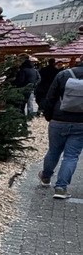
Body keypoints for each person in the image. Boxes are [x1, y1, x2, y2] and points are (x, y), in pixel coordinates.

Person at [38, 57, 83, 199]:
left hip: (58, 119)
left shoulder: (64, 74)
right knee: (71, 156)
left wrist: (48, 115)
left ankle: (46, 176)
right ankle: (61, 188)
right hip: (81, 123)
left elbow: (51, 96)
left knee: (53, 151)